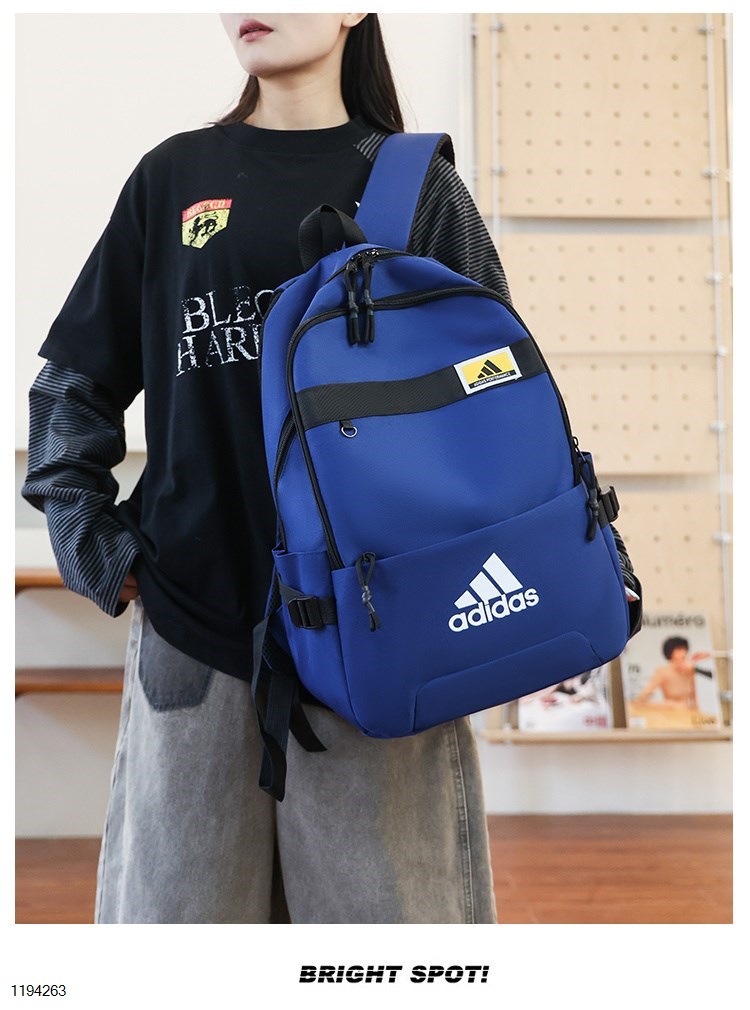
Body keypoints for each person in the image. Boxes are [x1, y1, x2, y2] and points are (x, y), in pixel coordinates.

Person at [22, 13, 637, 924]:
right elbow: (73, 385)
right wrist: (95, 551)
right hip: (193, 630)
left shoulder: (416, 184)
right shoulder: (173, 177)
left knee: (389, 954)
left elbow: (501, 406)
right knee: (173, 952)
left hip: (384, 628)